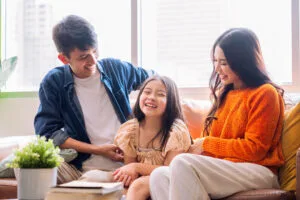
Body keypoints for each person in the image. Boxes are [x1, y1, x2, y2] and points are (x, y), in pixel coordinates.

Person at [149, 28, 285, 200]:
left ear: (242, 61)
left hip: (259, 169)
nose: (217, 69)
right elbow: (212, 149)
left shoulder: (265, 93)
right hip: (226, 167)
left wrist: (206, 144)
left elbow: (255, 149)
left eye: (224, 63)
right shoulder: (224, 94)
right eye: (215, 61)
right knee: (159, 176)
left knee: (182, 163)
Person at [34, 15, 153, 183]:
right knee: (31, 164)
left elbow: (154, 79)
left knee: (91, 180)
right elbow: (47, 133)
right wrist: (97, 150)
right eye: (83, 57)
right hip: (79, 167)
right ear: (64, 58)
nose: (93, 61)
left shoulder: (115, 69)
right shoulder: (54, 82)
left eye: (94, 51)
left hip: (126, 166)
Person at [113, 75, 192, 200]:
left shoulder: (176, 131)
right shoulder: (130, 130)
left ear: (171, 101)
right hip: (139, 179)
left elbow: (170, 171)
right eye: (147, 92)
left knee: (138, 186)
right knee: (95, 177)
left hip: (166, 180)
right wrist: (130, 172)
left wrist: (136, 167)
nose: (151, 97)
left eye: (161, 94)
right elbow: (129, 170)